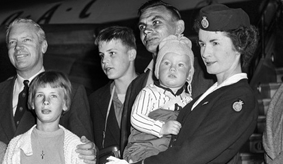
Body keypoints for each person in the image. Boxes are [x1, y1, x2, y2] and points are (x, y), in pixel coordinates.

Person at [108, 3, 259, 164]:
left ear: (240, 44)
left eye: (215, 43)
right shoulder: (214, 92)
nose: (205, 53)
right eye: (202, 44)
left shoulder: (238, 97)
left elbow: (190, 154)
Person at [0, 18, 96, 163]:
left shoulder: (72, 92)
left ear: (43, 46)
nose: (18, 47)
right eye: (12, 42)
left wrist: (91, 151)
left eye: (26, 40)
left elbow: (85, 150)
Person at [119, 0, 215, 155]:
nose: (147, 31)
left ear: (179, 27)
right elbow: (129, 138)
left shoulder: (208, 75)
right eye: (142, 27)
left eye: (156, 22)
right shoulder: (136, 85)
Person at [123, 34, 194, 162]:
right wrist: (160, 128)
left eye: (180, 65)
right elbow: (136, 117)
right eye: (166, 63)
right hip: (145, 149)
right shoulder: (149, 93)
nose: (172, 68)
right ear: (157, 69)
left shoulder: (189, 101)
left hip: (170, 153)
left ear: (189, 75)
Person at [3, 71, 85, 164]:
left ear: (65, 104)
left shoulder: (76, 147)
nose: (46, 101)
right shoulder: (16, 144)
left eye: (53, 96)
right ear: (32, 103)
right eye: (40, 95)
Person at [89, 26, 138, 162]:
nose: (104, 61)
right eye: (102, 55)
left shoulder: (154, 92)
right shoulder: (95, 100)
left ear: (131, 55)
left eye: (112, 53)